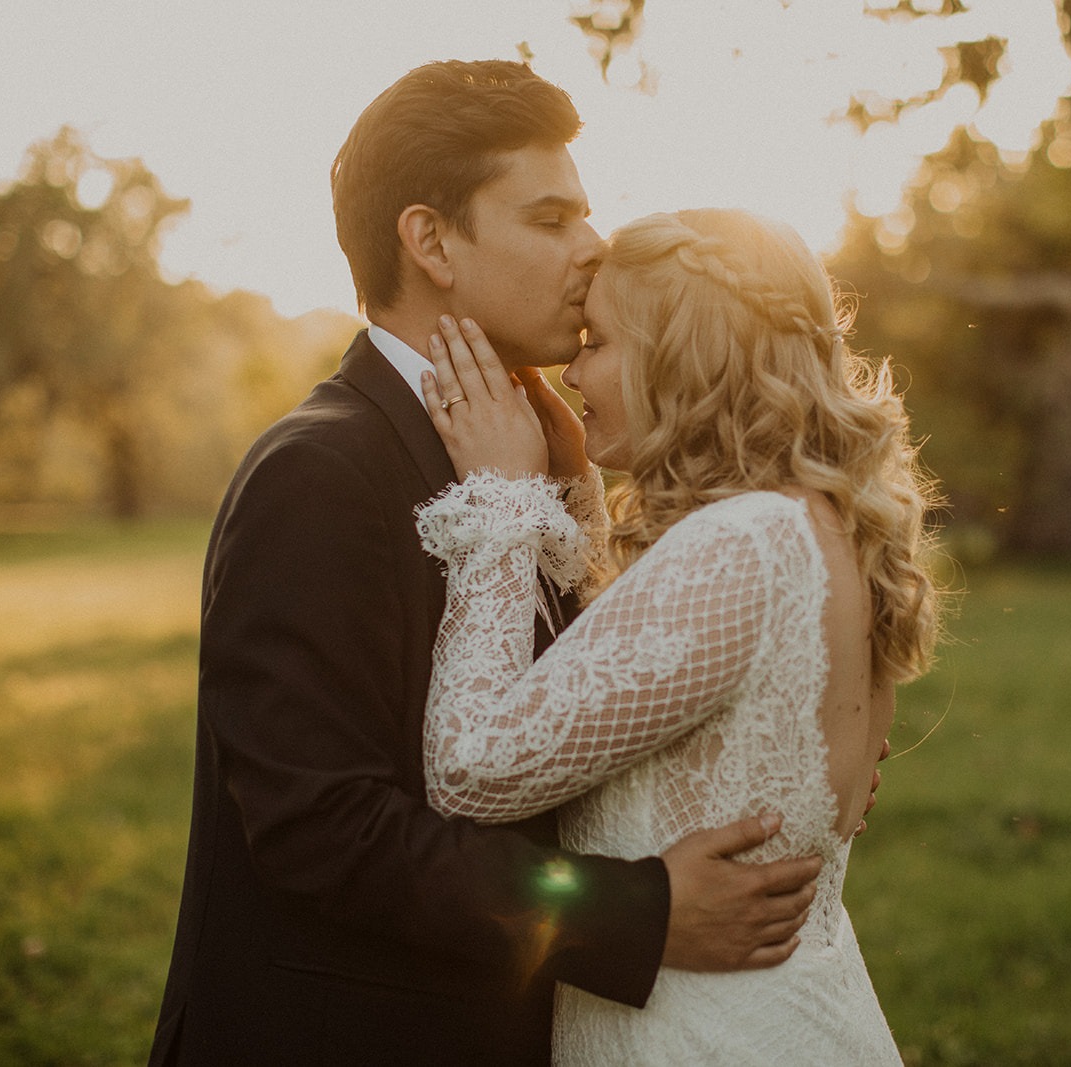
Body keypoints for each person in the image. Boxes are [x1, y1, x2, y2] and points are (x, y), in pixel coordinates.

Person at [148, 62, 825, 1066]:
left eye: (584, 213)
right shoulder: (319, 472)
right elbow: (321, 828)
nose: (593, 246)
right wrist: (637, 913)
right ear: (430, 242)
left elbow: (578, 713)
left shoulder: (532, 451)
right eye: (551, 219)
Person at [412, 207, 940, 1063]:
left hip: (704, 1035)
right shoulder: (818, 525)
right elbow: (657, 675)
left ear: (681, 358)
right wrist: (578, 491)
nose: (572, 370)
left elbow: (471, 768)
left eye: (598, 341)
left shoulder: (744, 544)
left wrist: (503, 500)